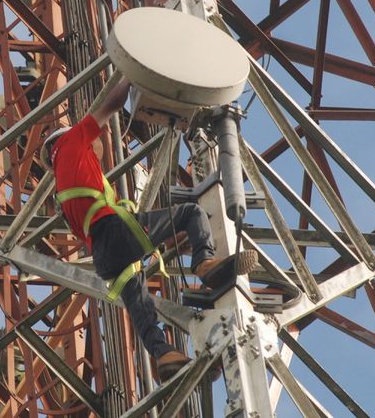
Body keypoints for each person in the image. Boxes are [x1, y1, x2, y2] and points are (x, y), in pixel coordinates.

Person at [40, 78, 257, 382]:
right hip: (115, 231)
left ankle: (163, 354)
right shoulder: (73, 139)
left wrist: (171, 239)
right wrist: (130, 76)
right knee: (190, 212)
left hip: (105, 257)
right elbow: (111, 105)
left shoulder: (64, 193)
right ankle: (204, 264)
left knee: (140, 306)